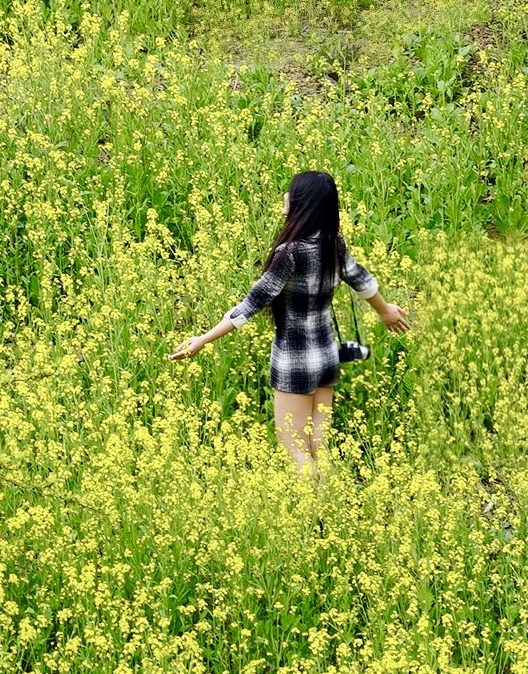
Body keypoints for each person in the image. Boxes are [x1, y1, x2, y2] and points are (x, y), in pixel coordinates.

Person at [170, 169, 410, 473]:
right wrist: (385, 309)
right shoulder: (333, 243)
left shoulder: (290, 253)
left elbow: (252, 305)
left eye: (291, 192)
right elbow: (361, 280)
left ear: (302, 203)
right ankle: (331, 509)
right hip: (326, 355)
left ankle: (313, 515)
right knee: (318, 445)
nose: (285, 197)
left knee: (294, 446)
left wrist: (203, 339)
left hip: (294, 359)